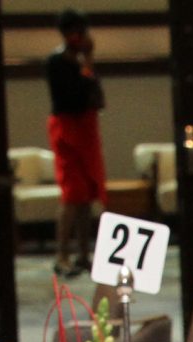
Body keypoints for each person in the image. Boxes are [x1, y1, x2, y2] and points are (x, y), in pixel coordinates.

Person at [44, 9, 107, 278]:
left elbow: (96, 96)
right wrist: (86, 66)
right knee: (71, 195)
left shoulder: (83, 63)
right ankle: (62, 255)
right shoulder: (56, 62)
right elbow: (72, 97)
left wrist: (88, 62)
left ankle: (84, 254)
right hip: (67, 130)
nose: (78, 37)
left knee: (86, 196)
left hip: (86, 130)